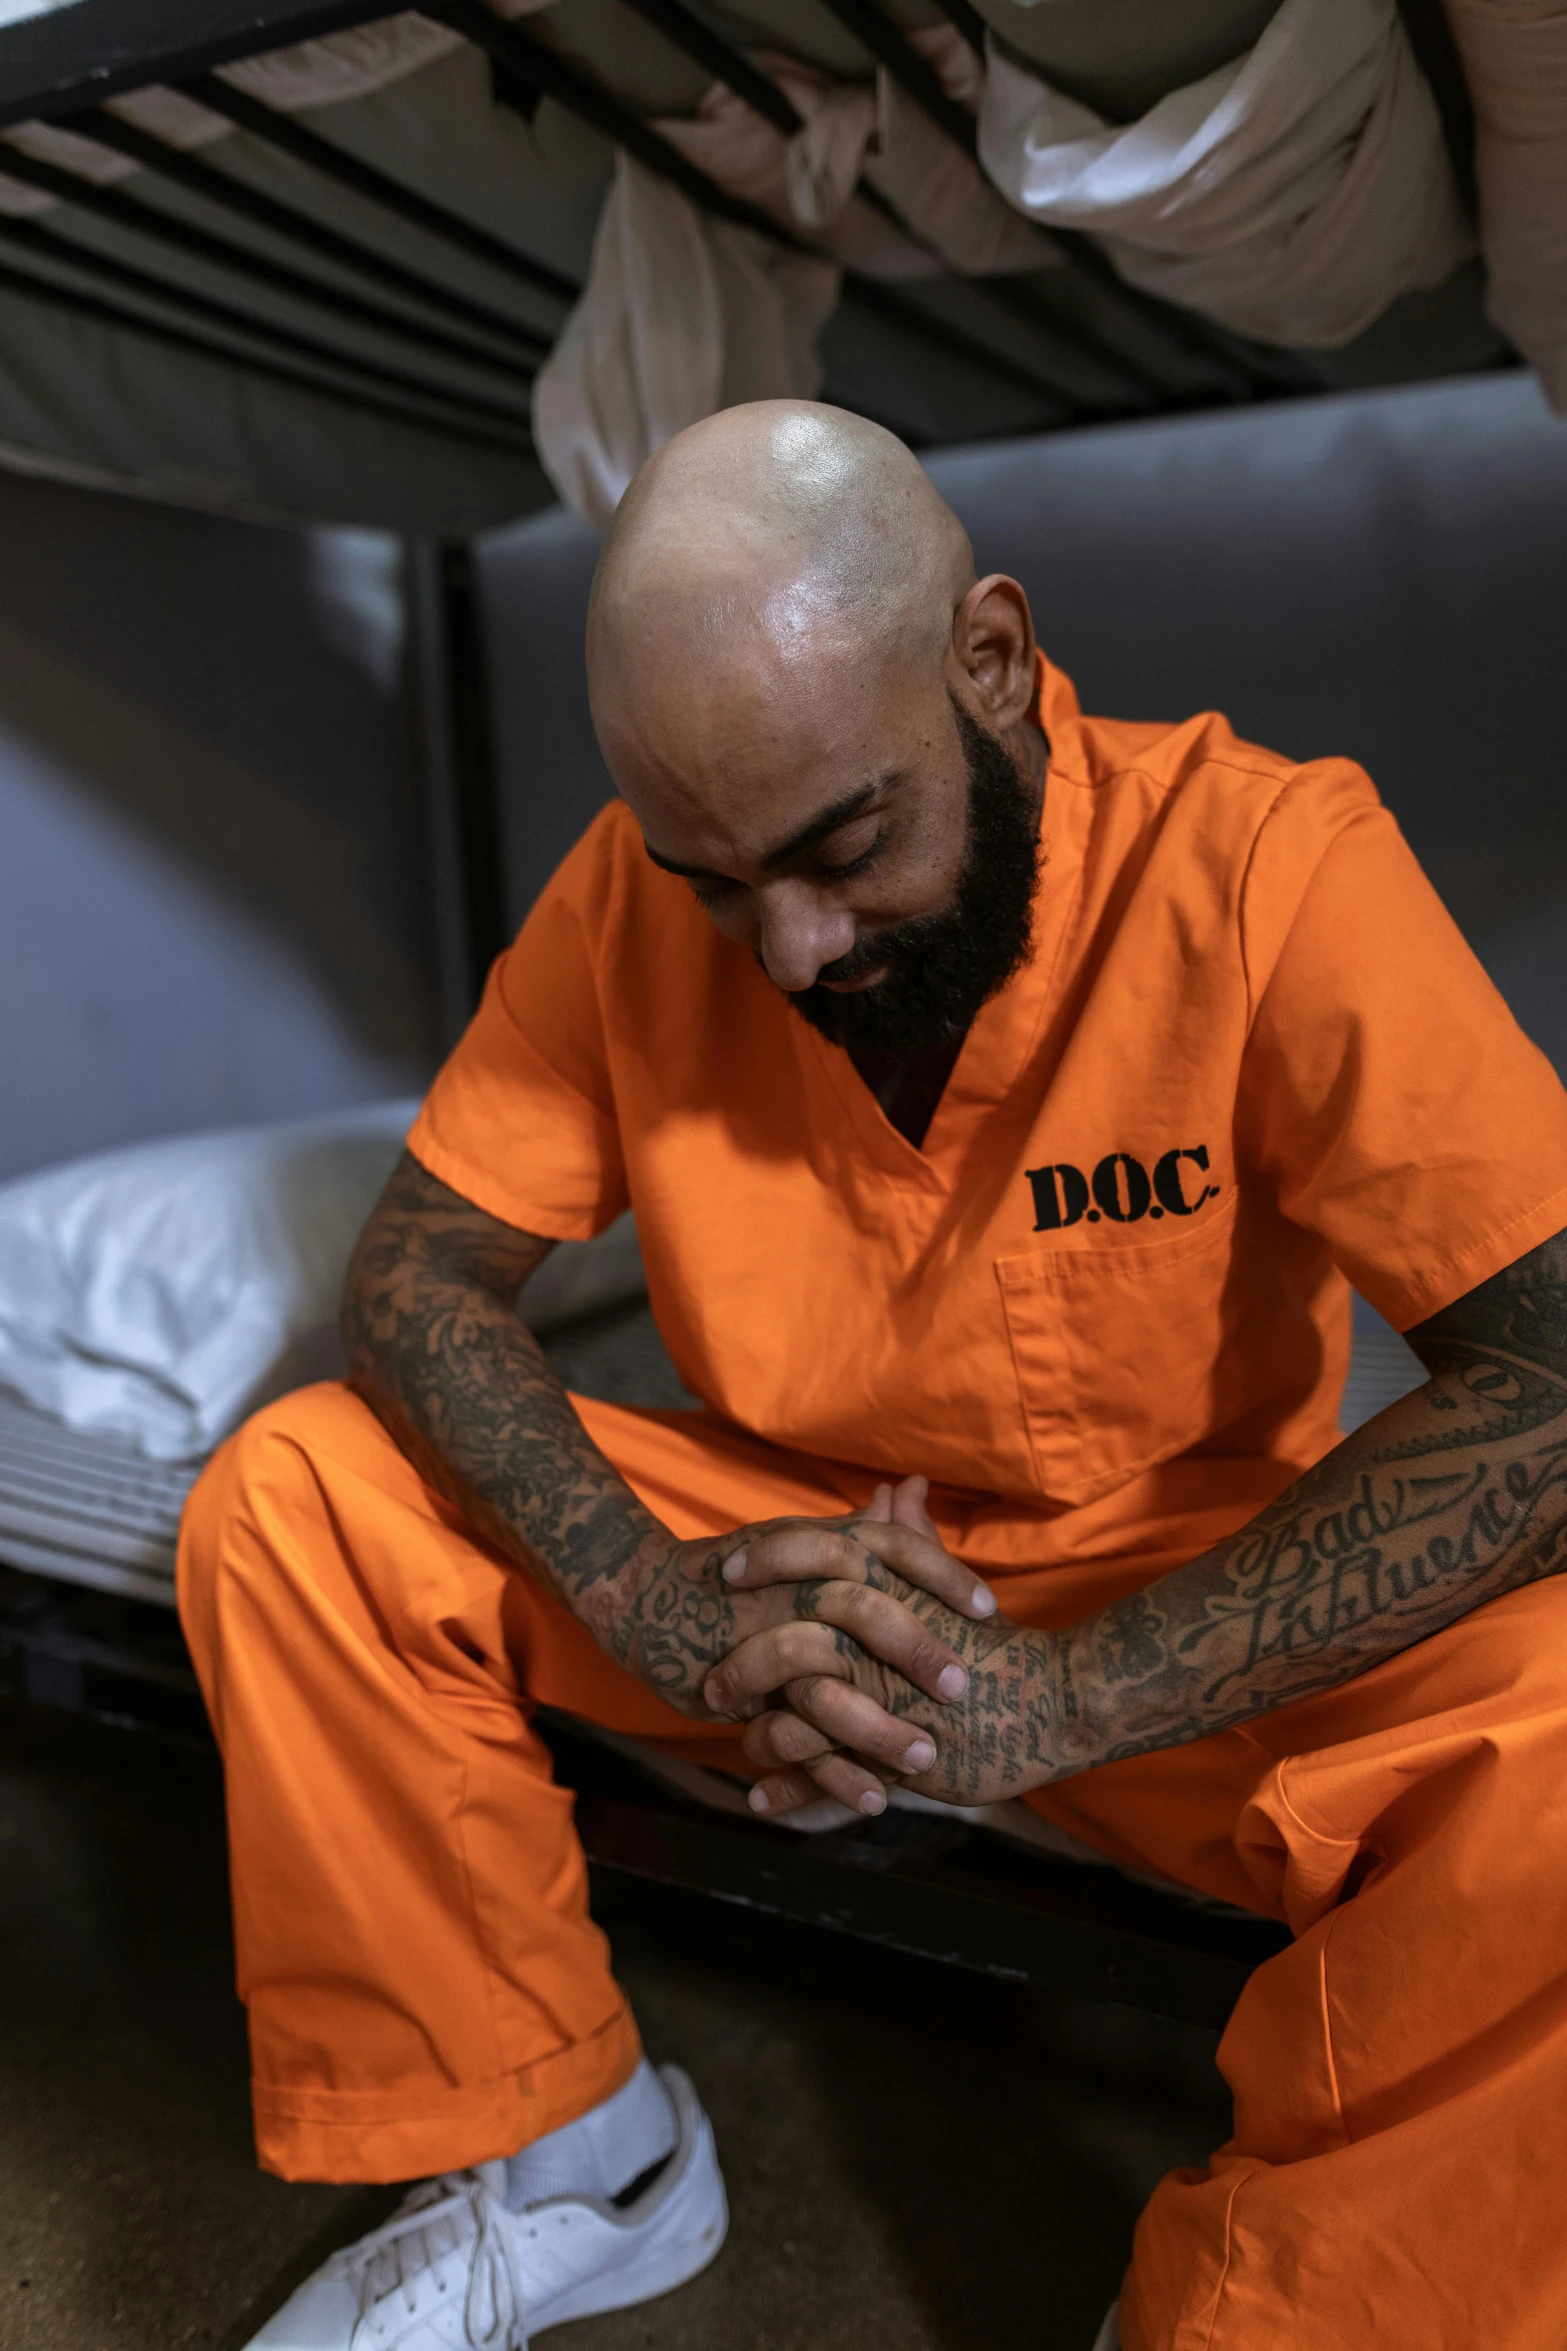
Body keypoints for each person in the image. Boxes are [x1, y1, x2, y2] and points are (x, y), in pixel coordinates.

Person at [180, 399, 1567, 2351]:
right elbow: (419, 1271)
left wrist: (1068, 1688)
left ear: (989, 660)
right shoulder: (623, 901)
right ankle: (578, 2153)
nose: (792, 943)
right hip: (774, 1576)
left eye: (845, 844)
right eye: (716, 880)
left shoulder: (1264, 861)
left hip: (1168, 1594)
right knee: (300, 1494)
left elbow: (1554, 1373)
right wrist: (651, 1595)